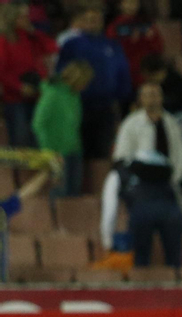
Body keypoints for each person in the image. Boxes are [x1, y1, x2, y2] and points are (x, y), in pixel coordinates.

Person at [114, 79, 182, 268]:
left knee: (174, 234)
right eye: (147, 94)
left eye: (155, 94)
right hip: (141, 190)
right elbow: (122, 157)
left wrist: (173, 179)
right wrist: (133, 183)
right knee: (141, 243)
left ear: (162, 97)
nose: (152, 98)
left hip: (167, 188)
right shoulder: (131, 124)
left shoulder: (170, 122)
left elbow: (180, 154)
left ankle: (175, 275)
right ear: (140, 98)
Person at [56, 4, 130, 162]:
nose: (92, 23)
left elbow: (122, 72)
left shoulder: (112, 45)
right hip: (78, 104)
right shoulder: (72, 45)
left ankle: (99, 185)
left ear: (102, 21)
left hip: (105, 107)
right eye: (88, 19)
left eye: (95, 19)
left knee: (102, 152)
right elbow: (62, 73)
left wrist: (121, 98)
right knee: (78, 151)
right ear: (81, 21)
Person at [32, 60, 92, 197]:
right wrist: (48, 150)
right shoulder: (52, 94)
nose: (86, 85)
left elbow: (74, 123)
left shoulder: (74, 95)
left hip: (74, 149)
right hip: (56, 152)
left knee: (74, 192)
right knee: (60, 193)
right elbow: (38, 123)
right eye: (85, 81)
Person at [1, 4, 55, 150]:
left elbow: (52, 47)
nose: (27, 19)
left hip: (37, 95)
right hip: (15, 98)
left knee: (38, 140)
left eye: (27, 16)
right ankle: (22, 173)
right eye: (22, 16)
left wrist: (34, 33)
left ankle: (36, 173)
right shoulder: (4, 40)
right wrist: (20, 87)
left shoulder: (31, 37)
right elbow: (2, 71)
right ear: (11, 18)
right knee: (21, 141)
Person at [108, 0, 162, 92]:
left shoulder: (147, 24)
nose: (131, 6)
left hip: (146, 73)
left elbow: (159, 48)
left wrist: (149, 39)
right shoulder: (115, 26)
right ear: (120, 5)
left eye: (134, 2)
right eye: (128, 2)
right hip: (124, 74)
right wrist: (131, 42)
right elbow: (112, 51)